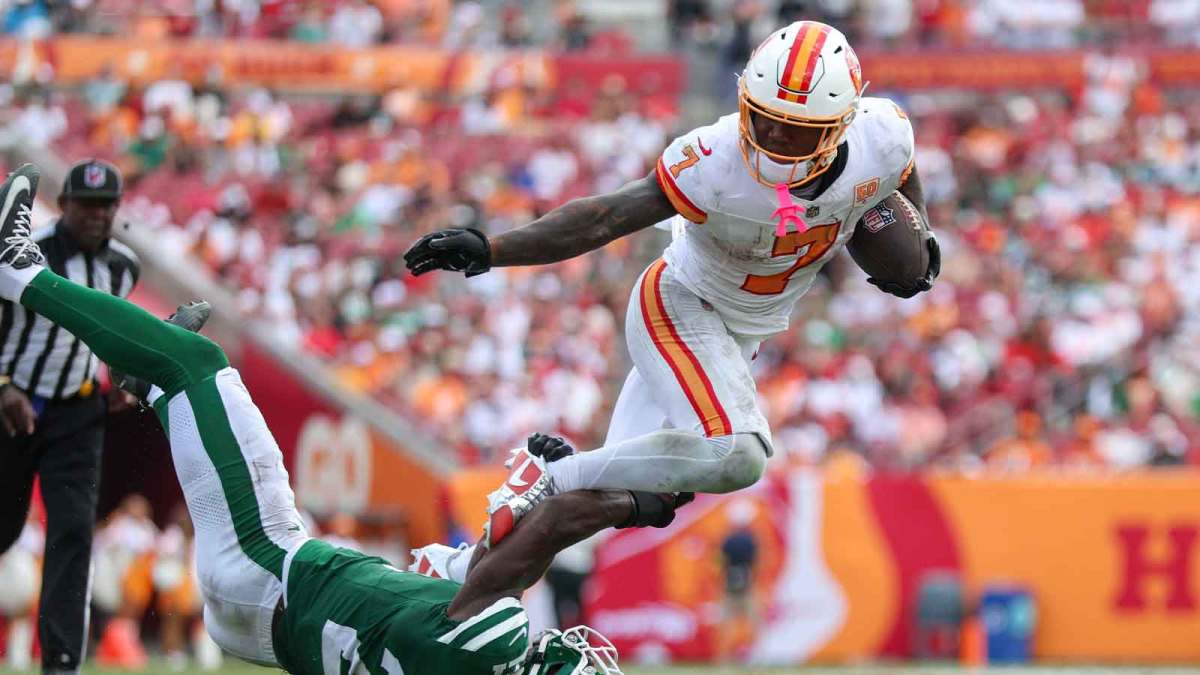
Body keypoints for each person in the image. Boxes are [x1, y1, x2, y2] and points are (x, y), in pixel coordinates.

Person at [0, 164, 690, 674]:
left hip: (271, 563)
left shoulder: (498, 637)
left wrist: (631, 502)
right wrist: (527, 501)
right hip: (265, 635)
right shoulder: (477, 632)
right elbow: (484, 568)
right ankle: (148, 390)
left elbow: (536, 542)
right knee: (174, 382)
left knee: (194, 360)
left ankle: (21, 272)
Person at [405, 20, 939, 548]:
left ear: (840, 124)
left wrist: (921, 242)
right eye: (763, 117)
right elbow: (604, 217)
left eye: (794, 128)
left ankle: (460, 574)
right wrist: (494, 249)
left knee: (617, 494)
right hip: (685, 303)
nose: (773, 138)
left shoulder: (883, 136)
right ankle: (550, 471)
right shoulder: (714, 157)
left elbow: (901, 176)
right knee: (736, 453)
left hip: (742, 331)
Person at [0, 158, 139, 675]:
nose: (97, 216)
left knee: (73, 532)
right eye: (86, 205)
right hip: (14, 405)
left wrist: (124, 377)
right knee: (4, 531)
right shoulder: (25, 254)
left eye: (107, 207)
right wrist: (3, 386)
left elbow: (110, 341)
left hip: (80, 411)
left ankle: (61, 662)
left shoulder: (123, 267)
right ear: (64, 205)